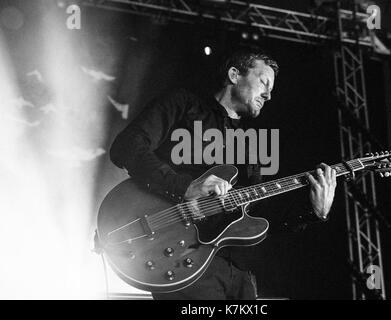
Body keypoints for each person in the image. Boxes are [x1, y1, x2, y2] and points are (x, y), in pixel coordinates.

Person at [109, 46, 337, 300]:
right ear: (234, 75)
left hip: (238, 272)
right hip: (181, 255)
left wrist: (313, 212)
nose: (269, 95)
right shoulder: (183, 104)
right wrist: (184, 187)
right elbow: (126, 147)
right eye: (264, 82)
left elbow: (258, 216)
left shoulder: (250, 147)